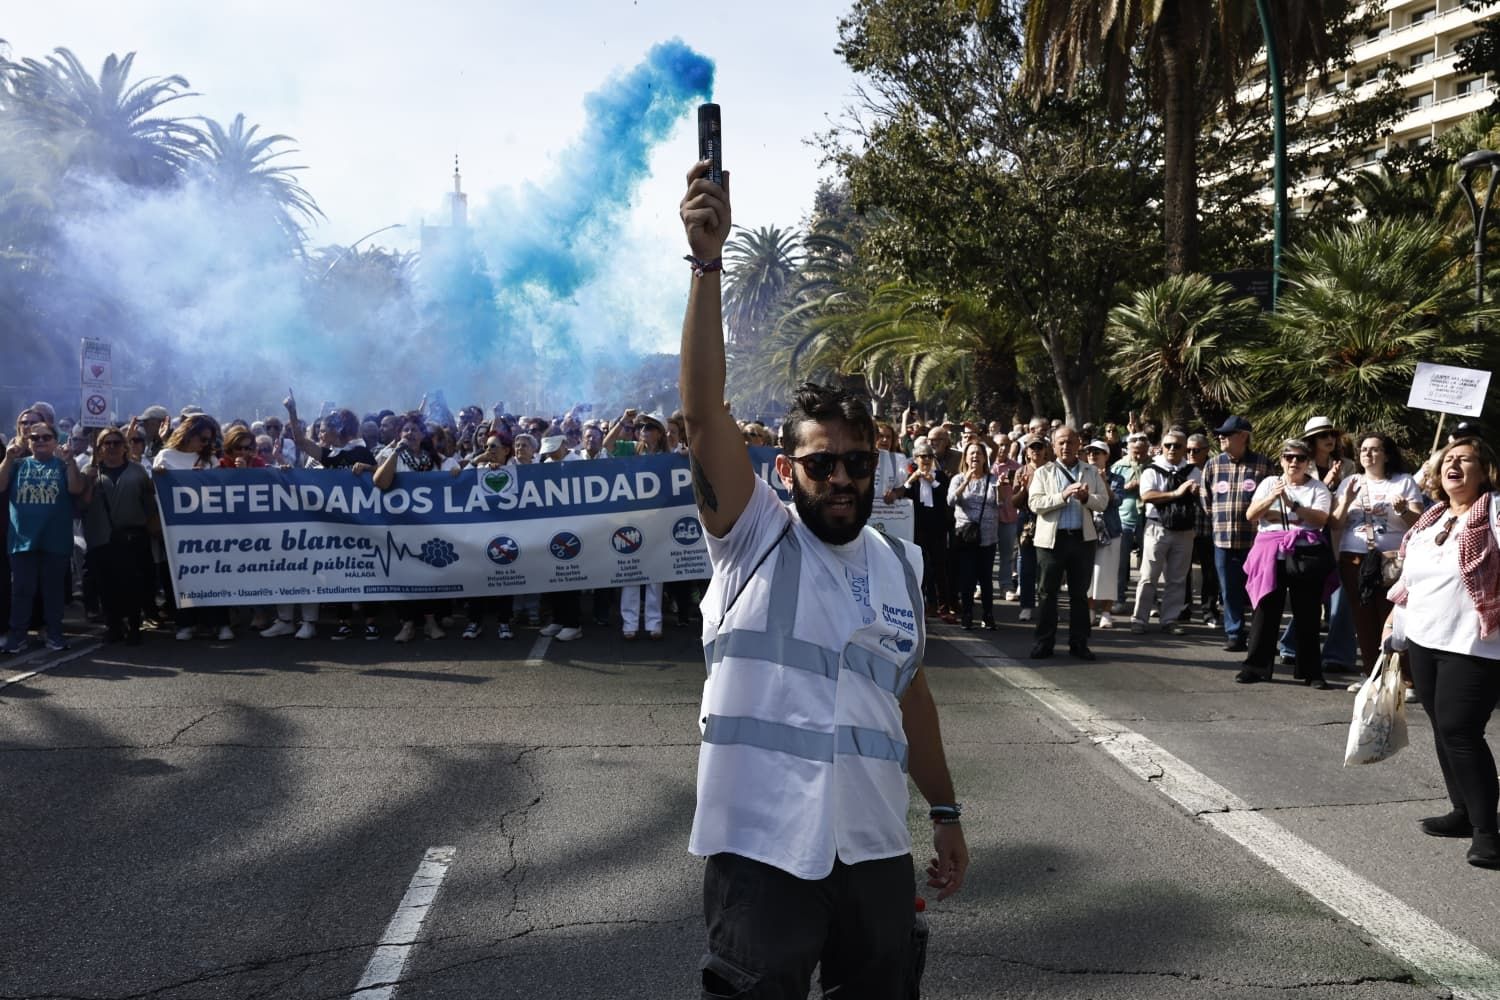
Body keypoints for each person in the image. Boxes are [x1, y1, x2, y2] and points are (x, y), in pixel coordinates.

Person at [679, 159, 966, 998]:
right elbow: (701, 418)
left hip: (876, 850)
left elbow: (912, 698)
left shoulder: (899, 564)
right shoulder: (753, 536)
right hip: (763, 851)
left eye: (857, 461)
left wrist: (944, 814)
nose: (842, 478)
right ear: (786, 468)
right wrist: (706, 265)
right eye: (822, 463)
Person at [1385, 437, 1500, 869]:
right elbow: (1413, 580)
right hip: (1425, 638)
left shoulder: (1493, 511)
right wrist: (1394, 620)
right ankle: (1464, 813)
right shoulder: (1431, 517)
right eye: (1447, 458)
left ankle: (1489, 832)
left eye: (1464, 459)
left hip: (1475, 644)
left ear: (1485, 471)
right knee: (1441, 727)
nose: (1453, 464)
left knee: (1460, 731)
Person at [1236, 438, 1334, 688]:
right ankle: (1256, 667)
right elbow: (1251, 515)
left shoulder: (1318, 488)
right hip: (1271, 555)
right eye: (1289, 457)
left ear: (1307, 462)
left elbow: (1321, 519)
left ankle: (1311, 672)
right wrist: (1271, 499)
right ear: (1281, 460)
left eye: (1300, 458)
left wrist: (1293, 506)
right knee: (1265, 611)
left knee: (1308, 614)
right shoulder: (1270, 483)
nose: (1294, 462)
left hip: (1305, 555)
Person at [1328, 433, 1423, 676]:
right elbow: (1336, 523)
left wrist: (1402, 510)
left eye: (1374, 449)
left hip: (1392, 560)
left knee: (1393, 620)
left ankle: (1404, 678)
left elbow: (1420, 522)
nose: (1367, 454)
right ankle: (1372, 675)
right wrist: (1346, 499)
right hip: (1354, 558)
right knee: (1363, 621)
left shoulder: (1403, 482)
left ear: (1387, 454)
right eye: (1363, 450)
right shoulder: (1350, 482)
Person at [1, 421, 84, 652]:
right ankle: (17, 637)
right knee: (21, 591)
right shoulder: (17, 464)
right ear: (28, 441)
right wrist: (7, 458)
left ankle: (55, 634)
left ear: (55, 441)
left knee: (53, 592)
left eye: (45, 437)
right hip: (22, 540)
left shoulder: (62, 464)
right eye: (35, 438)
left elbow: (76, 489)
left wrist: (70, 461)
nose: (40, 441)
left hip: (55, 540)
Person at [1027, 425, 1108, 660]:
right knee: (1047, 593)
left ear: (1078, 445)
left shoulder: (1090, 471)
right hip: (1052, 540)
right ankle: (1044, 642)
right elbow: (1035, 504)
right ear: (1053, 446)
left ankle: (1079, 643)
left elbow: (1102, 502)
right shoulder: (1044, 473)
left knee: (1079, 594)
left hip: (1082, 539)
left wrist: (1086, 498)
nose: (1066, 446)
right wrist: (1062, 496)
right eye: (1061, 442)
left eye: (1070, 442)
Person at [1203, 415, 1276, 653]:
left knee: (1259, 590)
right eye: (1220, 435)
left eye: (1226, 434)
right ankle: (1234, 633)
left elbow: (1273, 500)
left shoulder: (1263, 464)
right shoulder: (1213, 464)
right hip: (1223, 539)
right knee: (1229, 590)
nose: (1221, 438)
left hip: (1256, 541)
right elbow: (1206, 500)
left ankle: (1259, 636)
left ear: (1243, 436)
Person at [1130, 431, 1202, 636]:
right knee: (1148, 576)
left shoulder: (1192, 471)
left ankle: (1170, 619)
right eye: (1168, 445)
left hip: (1184, 530)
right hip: (1157, 527)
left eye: (1177, 446)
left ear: (1184, 449)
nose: (1172, 449)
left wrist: (1197, 493)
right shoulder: (1152, 470)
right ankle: (1139, 619)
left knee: (1177, 578)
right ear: (1161, 446)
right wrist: (1176, 493)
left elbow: (1201, 497)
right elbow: (1146, 496)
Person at [946, 439, 998, 629]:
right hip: (966, 536)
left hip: (988, 536)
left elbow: (1001, 504)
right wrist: (966, 480)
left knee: (985, 578)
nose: (975, 456)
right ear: (965, 458)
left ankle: (988, 614)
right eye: (971, 454)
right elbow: (951, 501)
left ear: (985, 458)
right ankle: (967, 613)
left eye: (979, 453)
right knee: (967, 578)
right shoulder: (958, 479)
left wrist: (1006, 490)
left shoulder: (993, 480)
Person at [903, 440, 953, 622]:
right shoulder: (910, 476)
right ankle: (923, 604)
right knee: (921, 567)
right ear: (915, 459)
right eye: (922, 456)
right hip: (917, 529)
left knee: (940, 567)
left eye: (929, 456)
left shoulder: (939, 475)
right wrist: (911, 480)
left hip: (938, 528)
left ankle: (943, 606)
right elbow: (903, 494)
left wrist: (933, 482)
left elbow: (947, 496)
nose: (926, 460)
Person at [1085, 440, 1125, 629]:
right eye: (1090, 451)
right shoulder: (1082, 475)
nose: (1093, 455)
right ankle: (1090, 610)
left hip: (1110, 530)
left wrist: (1103, 482)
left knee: (1108, 573)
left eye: (1098, 452)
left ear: (1106, 456)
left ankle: (1107, 612)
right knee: (1089, 572)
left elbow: (1115, 502)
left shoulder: (1117, 479)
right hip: (1086, 529)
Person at [1110, 432, 1150, 611]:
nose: (1138, 447)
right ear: (1128, 447)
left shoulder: (1155, 466)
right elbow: (1110, 491)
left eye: (1142, 444)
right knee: (1120, 563)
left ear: (1148, 448)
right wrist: (1128, 487)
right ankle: (1118, 599)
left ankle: (1150, 602)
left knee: (1150, 565)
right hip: (1124, 518)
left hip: (1148, 519)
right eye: (1134, 444)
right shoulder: (1118, 466)